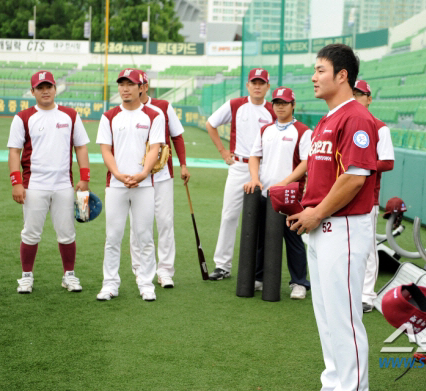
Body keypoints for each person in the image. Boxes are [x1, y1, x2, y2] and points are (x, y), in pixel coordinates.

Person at [287, 44, 379, 391]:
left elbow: (355, 177)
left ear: (342, 76)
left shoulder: (355, 116)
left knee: (343, 319)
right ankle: (335, 383)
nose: (314, 77)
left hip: (344, 228)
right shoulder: (328, 118)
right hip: (322, 228)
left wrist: (317, 212)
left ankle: (353, 387)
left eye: (321, 70)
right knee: (326, 317)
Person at [7, 70, 90, 294]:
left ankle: (69, 275)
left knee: (67, 233)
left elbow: (81, 147)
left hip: (64, 184)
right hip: (33, 185)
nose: (45, 91)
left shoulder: (70, 115)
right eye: (40, 88)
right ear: (32, 91)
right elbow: (14, 152)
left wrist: (85, 178)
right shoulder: (23, 117)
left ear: (55, 89)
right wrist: (16, 182)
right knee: (31, 233)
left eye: (49, 87)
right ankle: (26, 277)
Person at [95, 68, 165, 301]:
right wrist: (118, 174)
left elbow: (155, 148)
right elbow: (105, 149)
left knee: (144, 236)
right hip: (116, 185)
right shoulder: (109, 116)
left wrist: (144, 173)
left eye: (130, 84)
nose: (125, 88)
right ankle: (110, 284)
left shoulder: (154, 115)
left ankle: (146, 284)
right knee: (113, 236)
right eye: (121, 84)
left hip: (144, 186)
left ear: (141, 87)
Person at [206, 68, 276, 280]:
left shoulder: (274, 110)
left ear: (267, 86)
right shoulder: (235, 105)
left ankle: (261, 269)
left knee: (266, 219)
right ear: (247, 85)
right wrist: (222, 152)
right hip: (239, 166)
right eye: (253, 82)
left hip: (264, 169)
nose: (257, 86)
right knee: (229, 215)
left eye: (261, 83)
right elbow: (211, 123)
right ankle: (222, 266)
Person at [243, 86, 311, 299]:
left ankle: (299, 282)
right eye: (277, 103)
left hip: (290, 195)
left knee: (293, 239)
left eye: (285, 103)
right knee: (263, 237)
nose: (280, 107)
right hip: (265, 194)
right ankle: (260, 278)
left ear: (293, 105)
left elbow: (306, 162)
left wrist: (284, 183)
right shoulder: (266, 130)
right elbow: (254, 156)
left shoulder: (303, 131)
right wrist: (255, 178)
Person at [128, 70, 190, 289]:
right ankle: (139, 268)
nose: (138, 87)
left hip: (162, 175)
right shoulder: (126, 110)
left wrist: (183, 164)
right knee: (137, 225)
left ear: (145, 87)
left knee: (165, 222)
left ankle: (165, 270)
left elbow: (177, 136)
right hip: (136, 176)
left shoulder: (163, 106)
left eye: (140, 84)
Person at [352, 80, 395, 313]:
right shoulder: (346, 123)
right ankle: (350, 292)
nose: (357, 98)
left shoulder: (380, 127)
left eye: (361, 94)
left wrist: (360, 165)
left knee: (367, 247)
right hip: (343, 195)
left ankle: (367, 294)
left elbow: (388, 162)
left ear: (369, 99)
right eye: (354, 94)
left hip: (368, 195)